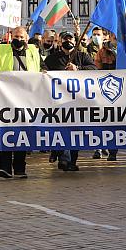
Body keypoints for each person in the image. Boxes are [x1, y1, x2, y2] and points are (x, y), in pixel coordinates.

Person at [0, 26, 40, 178]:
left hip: (26, 99)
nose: (18, 40)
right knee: (6, 131)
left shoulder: (34, 51)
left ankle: (19, 168)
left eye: (21, 37)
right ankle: (4, 167)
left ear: (26, 38)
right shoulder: (2, 51)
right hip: (6, 99)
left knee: (22, 133)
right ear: (12, 37)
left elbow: (41, 69)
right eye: (16, 37)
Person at [43, 31, 97, 171]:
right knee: (61, 130)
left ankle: (71, 160)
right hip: (58, 102)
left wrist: (77, 69)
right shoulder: (52, 58)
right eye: (65, 38)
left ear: (74, 40)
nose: (68, 40)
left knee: (76, 131)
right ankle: (64, 158)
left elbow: (94, 69)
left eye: (70, 38)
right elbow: (44, 70)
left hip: (77, 101)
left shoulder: (82, 56)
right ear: (60, 41)